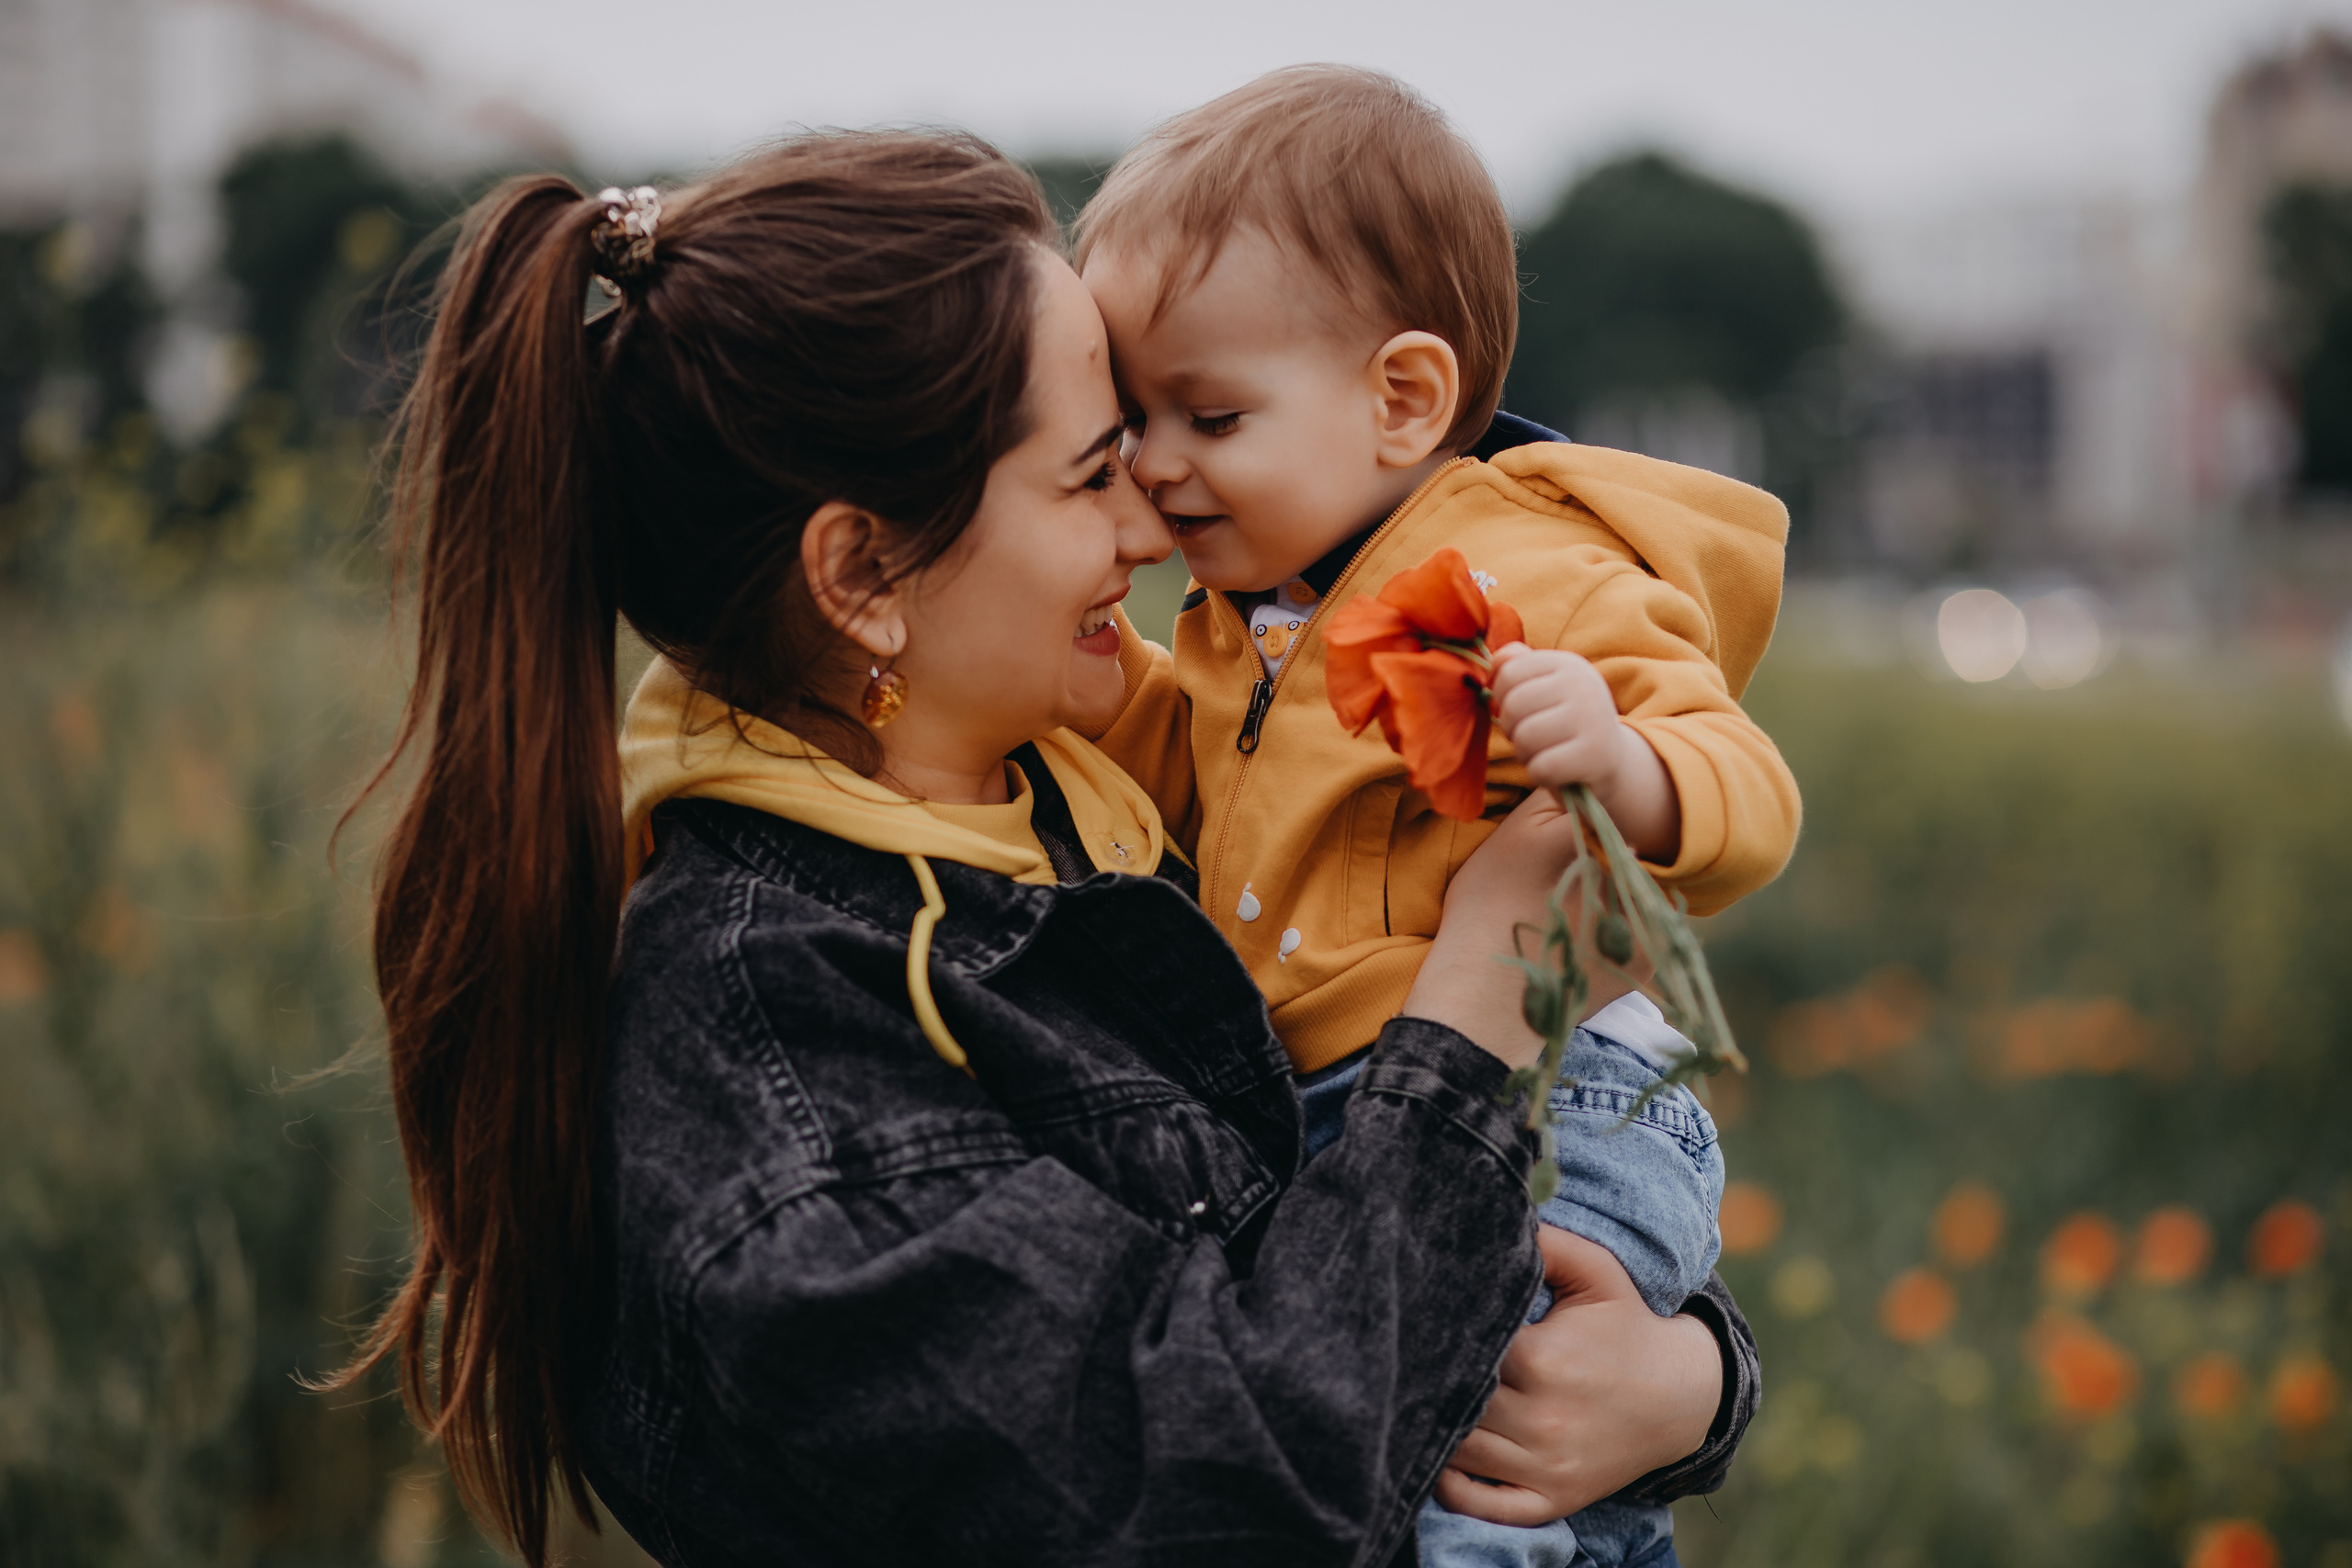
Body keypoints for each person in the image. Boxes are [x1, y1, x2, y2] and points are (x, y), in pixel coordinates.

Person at [333, 130, 1758, 1568]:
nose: (1153, 519)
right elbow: (1229, 1505)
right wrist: (1483, 1006)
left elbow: (1349, 1238)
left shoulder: (1073, 801)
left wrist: (1685, 1385)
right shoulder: (789, 1063)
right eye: (1092, 474)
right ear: (863, 576)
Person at [1072, 66, 1803, 1568]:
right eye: (1131, 416)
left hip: (1555, 1107)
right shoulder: (1243, 616)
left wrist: (1623, 763)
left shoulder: (1535, 574)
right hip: (1371, 1115)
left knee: (1473, 1471)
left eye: (1209, 414)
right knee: (1477, 1462)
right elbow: (1172, 774)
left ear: (1403, 400)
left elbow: (1751, 791)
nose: (1153, 462)